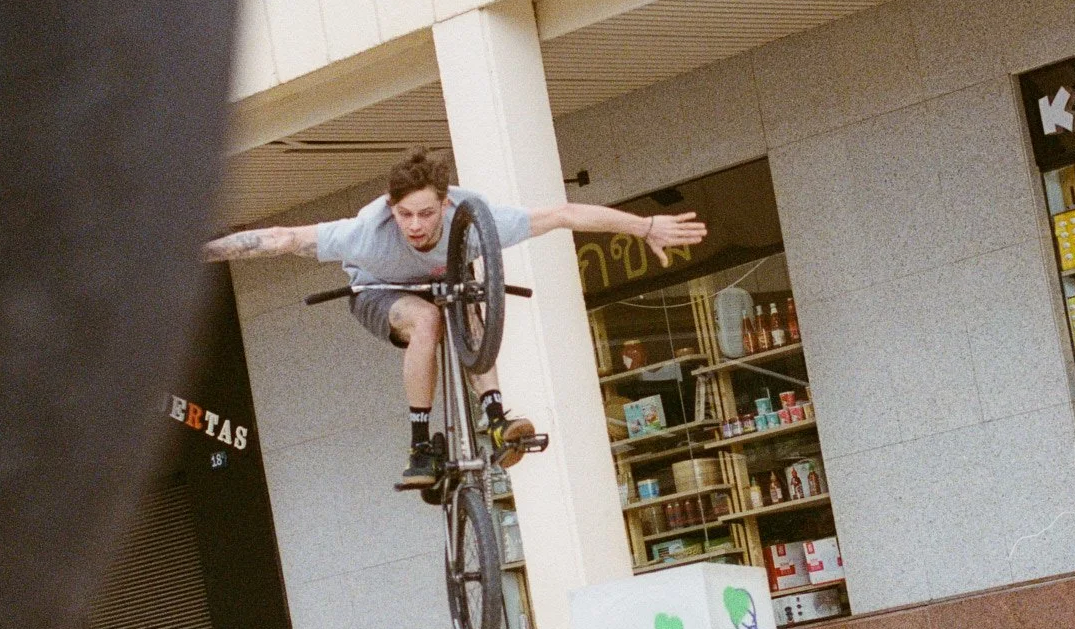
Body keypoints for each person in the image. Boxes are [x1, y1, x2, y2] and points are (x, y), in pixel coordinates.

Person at [206, 151, 707, 492]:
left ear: (445, 205)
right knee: (427, 321)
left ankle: (495, 418)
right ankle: (421, 444)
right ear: (391, 209)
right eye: (405, 215)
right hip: (381, 295)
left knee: (468, 293)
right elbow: (279, 239)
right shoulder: (365, 233)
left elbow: (563, 213)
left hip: (449, 285)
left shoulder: (473, 215)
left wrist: (645, 227)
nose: (417, 227)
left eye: (426, 214)